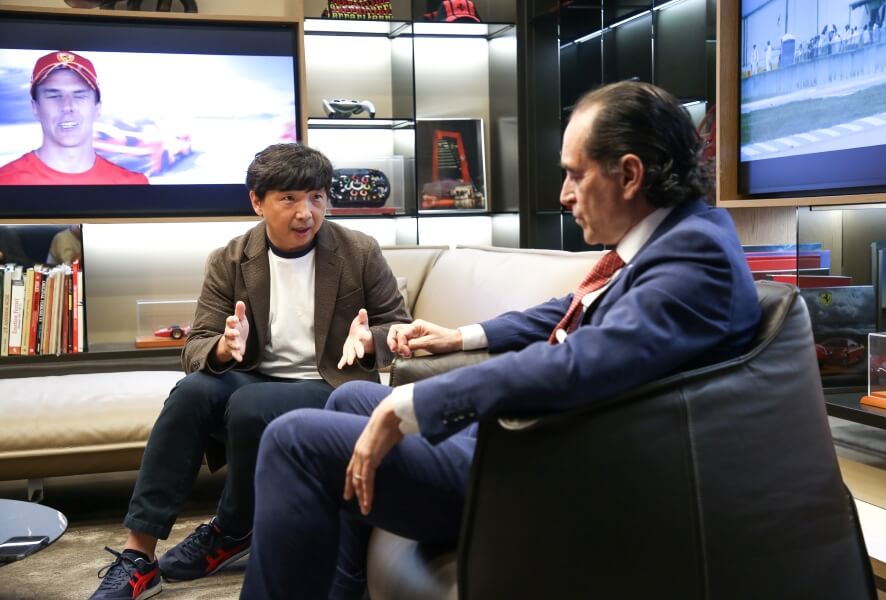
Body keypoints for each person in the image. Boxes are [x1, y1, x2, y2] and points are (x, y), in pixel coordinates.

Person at [240, 81, 763, 599]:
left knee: (293, 439)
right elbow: (572, 308)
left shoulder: (696, 258)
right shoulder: (673, 242)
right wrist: (460, 336)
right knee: (351, 396)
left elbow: (580, 361)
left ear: (629, 175)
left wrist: (415, 402)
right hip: (534, 440)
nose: (563, 194)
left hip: (546, 470)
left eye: (575, 174)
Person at [89, 142, 410, 600]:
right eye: (289, 199)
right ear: (257, 201)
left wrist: (371, 340)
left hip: (329, 384)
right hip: (256, 376)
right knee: (190, 392)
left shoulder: (358, 251)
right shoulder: (231, 258)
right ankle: (139, 555)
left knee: (248, 403)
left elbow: (397, 326)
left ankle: (232, 528)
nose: (306, 213)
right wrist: (223, 348)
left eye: (316, 197)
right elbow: (195, 347)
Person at [0, 51, 149, 185]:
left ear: (97, 108)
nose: (67, 106)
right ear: (35, 108)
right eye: (54, 96)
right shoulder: (5, 181)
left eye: (79, 95)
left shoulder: (134, 185)